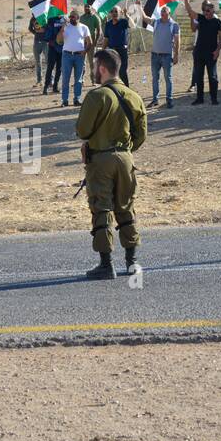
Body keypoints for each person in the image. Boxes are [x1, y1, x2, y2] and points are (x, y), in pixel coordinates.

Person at [76, 49, 147, 279]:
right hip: (126, 159)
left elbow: (82, 130)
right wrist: (125, 150)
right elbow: (141, 135)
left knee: (102, 208)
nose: (92, 71)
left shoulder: (97, 96)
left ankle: (106, 265)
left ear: (103, 69)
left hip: (101, 160)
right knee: (126, 207)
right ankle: (132, 261)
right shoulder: (134, 96)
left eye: (95, 66)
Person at [181, 0, 221, 105]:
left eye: (208, 9)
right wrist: (186, 0)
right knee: (199, 76)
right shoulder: (200, 18)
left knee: (212, 76)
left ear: (212, 10)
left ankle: (214, 98)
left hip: (211, 52)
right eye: (204, 9)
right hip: (199, 51)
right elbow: (192, 20)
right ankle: (200, 98)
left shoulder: (217, 21)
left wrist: (218, 50)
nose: (205, 11)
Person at [146, 6, 180, 108]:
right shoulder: (156, 22)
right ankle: (155, 100)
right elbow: (145, 18)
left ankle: (169, 100)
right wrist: (139, 7)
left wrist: (176, 55)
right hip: (155, 55)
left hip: (167, 56)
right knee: (155, 78)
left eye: (164, 11)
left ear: (169, 13)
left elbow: (177, 41)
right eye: (161, 11)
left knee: (168, 79)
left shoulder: (174, 25)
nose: (162, 13)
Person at [59, 8, 93, 106]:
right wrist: (62, 29)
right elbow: (59, 40)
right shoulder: (65, 27)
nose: (71, 18)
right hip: (67, 55)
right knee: (65, 78)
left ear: (78, 17)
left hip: (79, 56)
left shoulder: (84, 27)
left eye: (73, 17)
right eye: (70, 17)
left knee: (78, 79)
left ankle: (77, 99)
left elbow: (89, 42)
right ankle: (64, 100)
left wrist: (85, 52)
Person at [102, 6, 131, 83]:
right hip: (112, 51)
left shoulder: (123, 22)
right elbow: (106, 38)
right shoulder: (108, 24)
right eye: (112, 11)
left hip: (122, 51)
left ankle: (126, 89)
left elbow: (132, 25)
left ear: (120, 12)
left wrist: (126, 15)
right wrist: (102, 51)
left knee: (122, 71)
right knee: (113, 72)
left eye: (116, 11)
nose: (114, 13)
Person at [78, 2, 102, 85]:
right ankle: (80, 80)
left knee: (92, 63)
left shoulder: (95, 17)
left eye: (88, 7)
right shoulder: (81, 18)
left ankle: (93, 80)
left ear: (91, 7)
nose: (86, 8)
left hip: (91, 43)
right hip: (82, 43)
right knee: (81, 62)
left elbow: (99, 31)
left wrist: (95, 42)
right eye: (85, 7)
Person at [42, 13, 65, 94]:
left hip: (62, 48)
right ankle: (46, 87)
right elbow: (47, 32)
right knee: (50, 67)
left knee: (59, 68)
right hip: (53, 48)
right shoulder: (51, 19)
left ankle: (55, 86)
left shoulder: (64, 19)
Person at [28, 15, 47, 87]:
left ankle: (50, 80)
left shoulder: (45, 17)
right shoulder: (33, 18)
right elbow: (30, 28)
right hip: (36, 41)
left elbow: (49, 27)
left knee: (48, 61)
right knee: (37, 62)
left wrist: (45, 33)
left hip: (45, 42)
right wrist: (36, 33)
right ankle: (39, 80)